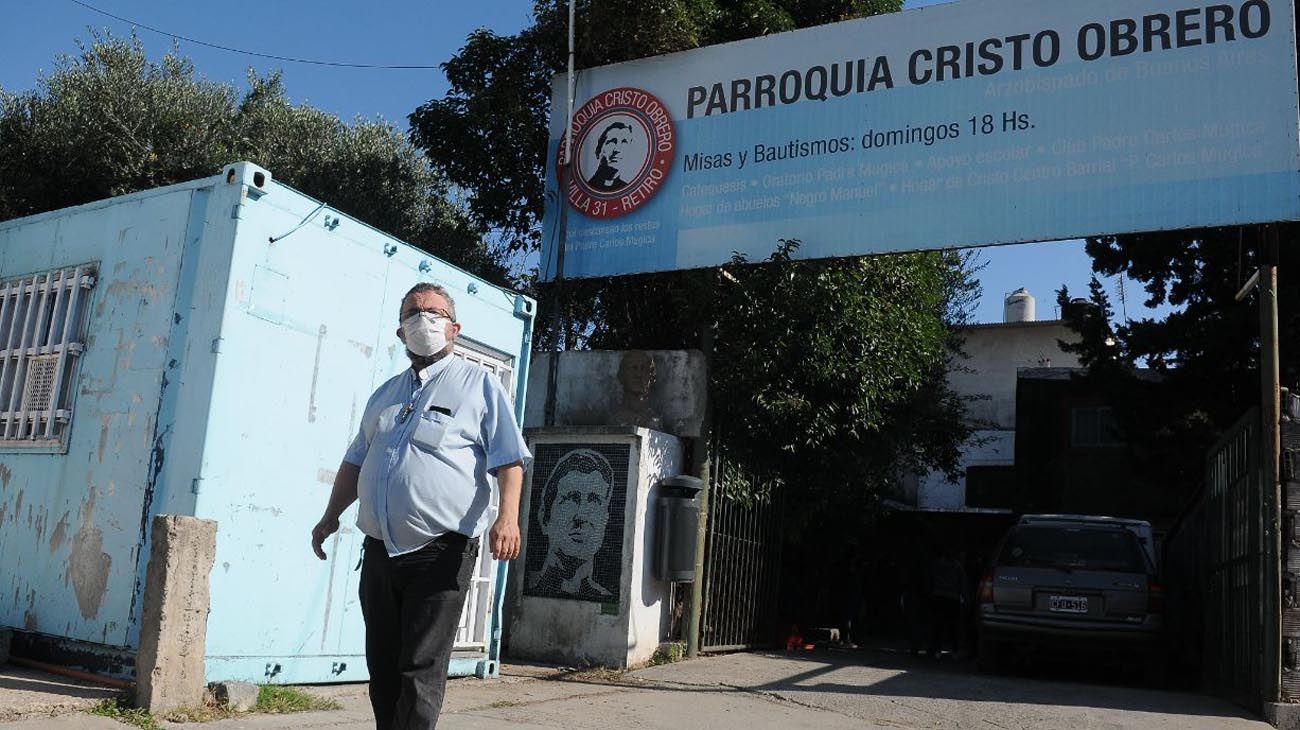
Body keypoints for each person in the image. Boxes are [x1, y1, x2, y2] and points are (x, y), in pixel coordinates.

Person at [311, 282, 529, 730]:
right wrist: (330, 515)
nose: (423, 319)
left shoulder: (479, 385)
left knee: (419, 670)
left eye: (434, 311)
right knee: (383, 669)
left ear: (454, 327)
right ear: (400, 332)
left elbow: (509, 458)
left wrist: (508, 517)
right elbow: (356, 460)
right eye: (413, 312)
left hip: (441, 549)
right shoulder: (385, 394)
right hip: (379, 550)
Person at [525, 448, 615, 600]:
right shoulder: (530, 585)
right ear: (545, 517)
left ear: (605, 519)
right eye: (571, 499)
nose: (581, 516)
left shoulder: (605, 597)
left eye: (594, 501)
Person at [585, 121, 636, 191]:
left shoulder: (628, 190)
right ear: (599, 150)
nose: (617, 149)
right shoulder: (588, 189)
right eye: (612, 141)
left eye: (624, 142)